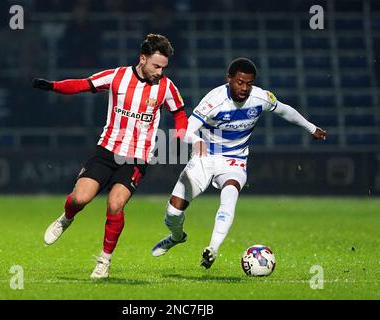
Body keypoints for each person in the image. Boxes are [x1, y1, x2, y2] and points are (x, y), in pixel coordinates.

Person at [32, 33, 188, 279]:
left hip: (136, 158)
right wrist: (53, 86)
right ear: (143, 58)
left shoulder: (166, 87)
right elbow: (83, 84)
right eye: (156, 66)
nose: (159, 71)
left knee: (115, 205)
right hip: (106, 151)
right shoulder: (117, 76)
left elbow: (179, 113)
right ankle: (66, 218)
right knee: (79, 199)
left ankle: (104, 260)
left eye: (163, 67)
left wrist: (179, 136)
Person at [151, 57, 326, 269]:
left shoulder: (260, 98)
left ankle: (212, 248)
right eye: (240, 82)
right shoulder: (213, 101)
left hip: (235, 160)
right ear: (229, 79)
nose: (244, 88)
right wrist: (196, 140)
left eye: (249, 83)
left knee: (230, 192)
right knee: (173, 212)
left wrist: (310, 127)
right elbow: (185, 130)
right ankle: (177, 237)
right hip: (204, 158)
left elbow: (284, 109)